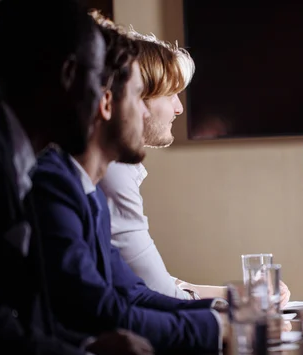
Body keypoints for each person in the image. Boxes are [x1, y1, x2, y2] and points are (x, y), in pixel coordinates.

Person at [0, 0, 153, 355]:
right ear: (69, 75)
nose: (102, 98)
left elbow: (21, 318)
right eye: (96, 79)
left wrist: (89, 349)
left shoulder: (12, 151)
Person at [29, 18, 227, 355]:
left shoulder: (88, 193)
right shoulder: (57, 184)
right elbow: (98, 309)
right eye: (139, 96)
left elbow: (132, 292)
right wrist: (221, 326)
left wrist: (229, 317)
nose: (174, 108)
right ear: (106, 103)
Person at [98, 26, 291, 304]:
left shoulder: (119, 169)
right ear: (135, 97)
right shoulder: (114, 172)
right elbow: (159, 294)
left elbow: (155, 282)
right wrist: (231, 313)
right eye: (170, 94)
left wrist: (239, 294)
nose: (179, 109)